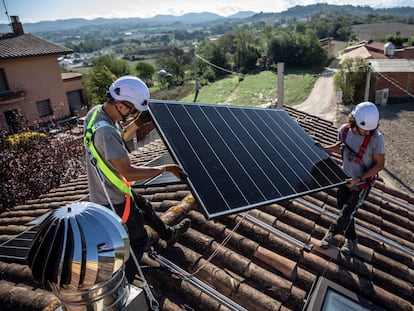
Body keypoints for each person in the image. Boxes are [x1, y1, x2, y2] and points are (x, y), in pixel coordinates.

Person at [83, 75, 191, 282]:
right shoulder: (106, 132)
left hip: (106, 186)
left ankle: (168, 234)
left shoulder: (96, 113)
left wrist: (137, 123)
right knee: (138, 240)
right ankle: (125, 281)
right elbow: (129, 173)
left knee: (146, 206)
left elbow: (116, 138)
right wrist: (165, 168)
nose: (132, 113)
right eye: (132, 110)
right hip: (112, 198)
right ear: (122, 105)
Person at [320, 101, 385, 255]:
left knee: (346, 213)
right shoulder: (344, 131)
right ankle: (352, 240)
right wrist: (324, 149)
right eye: (365, 129)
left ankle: (331, 233)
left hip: (362, 184)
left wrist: (359, 179)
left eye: (372, 129)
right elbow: (340, 147)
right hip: (345, 178)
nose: (369, 133)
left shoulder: (376, 139)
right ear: (355, 121)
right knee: (343, 208)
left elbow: (379, 165)